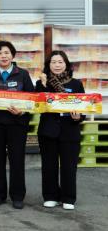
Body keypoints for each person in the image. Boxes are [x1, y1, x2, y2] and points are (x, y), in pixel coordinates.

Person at [0, 40, 35, 210]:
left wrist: (22, 111)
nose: (3, 56)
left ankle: (17, 196)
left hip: (17, 124)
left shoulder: (22, 74)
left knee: (17, 160)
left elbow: (32, 100)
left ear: (12, 55)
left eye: (6, 52)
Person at [35, 51, 85, 210]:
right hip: (48, 130)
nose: (57, 65)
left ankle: (68, 197)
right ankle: (50, 196)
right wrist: (43, 85)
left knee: (69, 166)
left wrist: (78, 117)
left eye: (60, 62)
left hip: (70, 130)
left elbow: (84, 106)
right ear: (48, 65)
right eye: (53, 62)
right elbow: (37, 104)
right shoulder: (42, 82)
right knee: (48, 165)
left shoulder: (76, 84)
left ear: (66, 64)